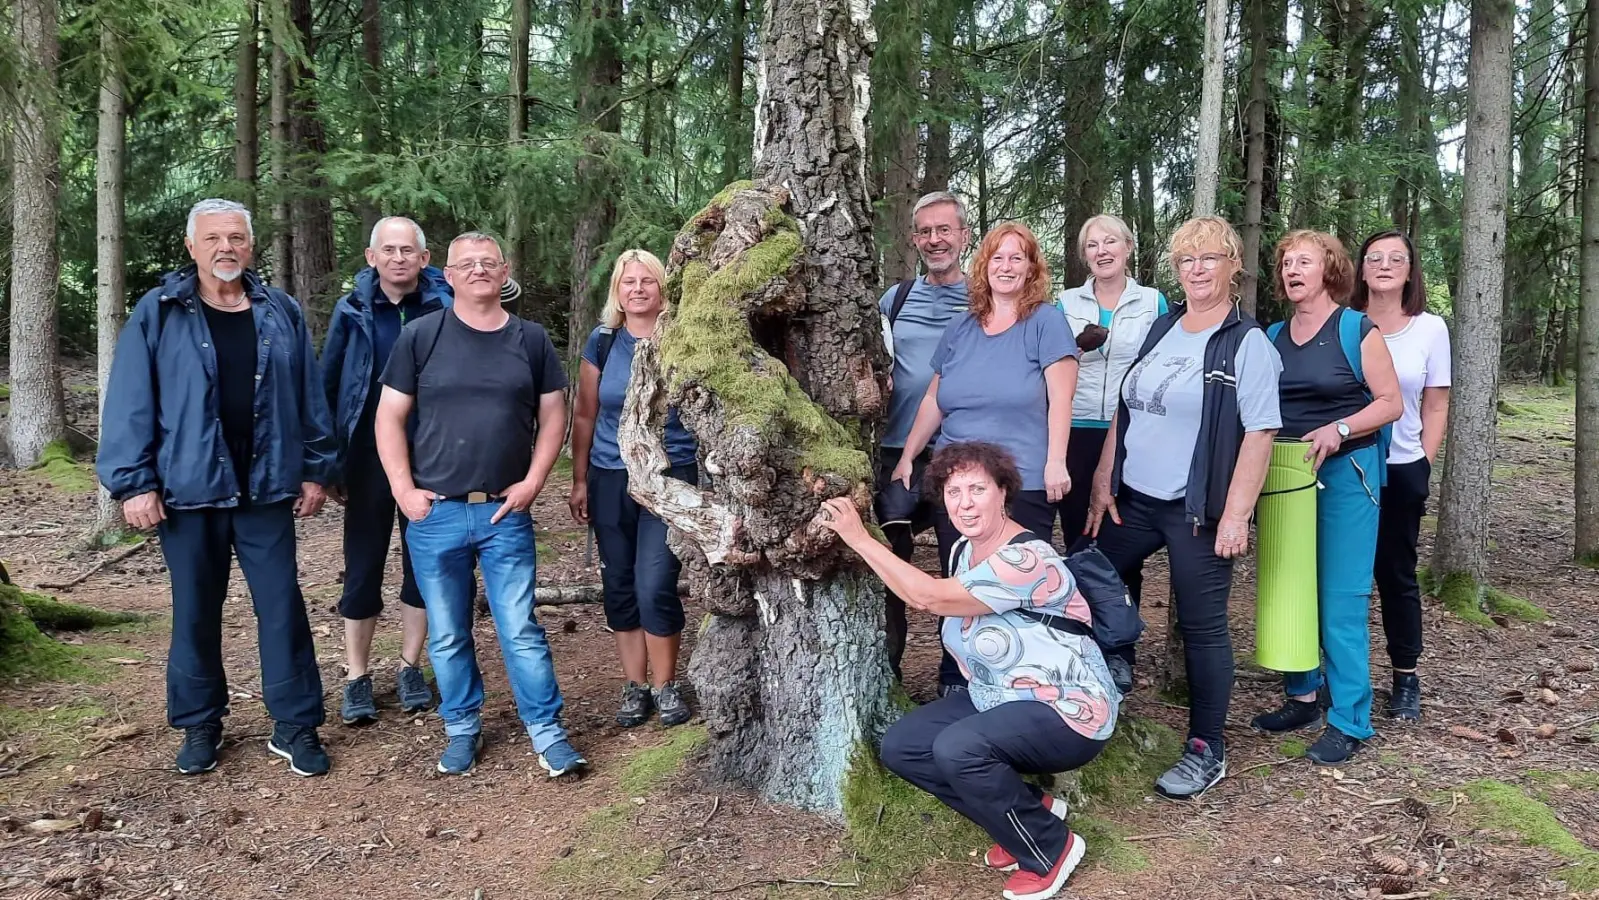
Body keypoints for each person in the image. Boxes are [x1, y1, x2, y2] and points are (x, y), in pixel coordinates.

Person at [97, 198, 335, 778]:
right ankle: (200, 722)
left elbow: (310, 396)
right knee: (195, 610)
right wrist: (133, 483)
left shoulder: (280, 311)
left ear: (251, 246)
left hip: (266, 488)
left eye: (236, 237)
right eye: (213, 239)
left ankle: (295, 724)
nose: (225, 247)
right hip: (188, 491)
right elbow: (129, 403)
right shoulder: (159, 312)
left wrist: (315, 468)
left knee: (282, 606)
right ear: (192, 247)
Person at [822, 442, 1114, 900]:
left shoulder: (1025, 558)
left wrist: (859, 538)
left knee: (958, 747)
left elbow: (928, 598)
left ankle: (1050, 847)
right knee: (904, 746)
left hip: (1066, 708)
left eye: (978, 488)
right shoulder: (964, 550)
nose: (965, 503)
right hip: (1001, 696)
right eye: (953, 491)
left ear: (1003, 493)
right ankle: (1026, 812)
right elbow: (933, 598)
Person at [375, 231, 584, 777]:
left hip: (503, 512)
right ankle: (462, 727)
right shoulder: (422, 336)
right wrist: (403, 490)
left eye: (487, 263)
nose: (477, 271)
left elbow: (555, 415)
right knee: (446, 632)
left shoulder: (531, 339)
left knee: (519, 628)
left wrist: (534, 481)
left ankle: (547, 731)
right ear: (445, 273)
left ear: (504, 270)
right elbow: (389, 417)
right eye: (466, 264)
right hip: (435, 513)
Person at [1086, 215, 1282, 799]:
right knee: (1088, 569)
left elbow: (1261, 433)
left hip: (1197, 509)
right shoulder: (1164, 326)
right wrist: (1103, 480)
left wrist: (1237, 516)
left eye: (1209, 259)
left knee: (1202, 626)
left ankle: (1205, 747)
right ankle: (1113, 666)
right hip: (1136, 499)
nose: (1197, 270)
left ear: (1232, 267)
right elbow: (1125, 407)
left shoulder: (1246, 343)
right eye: (1186, 261)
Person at [891, 222, 1079, 695]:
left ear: (1032, 267)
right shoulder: (961, 326)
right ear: (984, 266)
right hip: (958, 485)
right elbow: (935, 397)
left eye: (1017, 258)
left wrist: (1058, 461)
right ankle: (956, 681)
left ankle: (1023, 684)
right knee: (961, 582)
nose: (1007, 266)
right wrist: (909, 455)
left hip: (1023, 481)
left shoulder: (1046, 322)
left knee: (1014, 587)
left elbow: (1062, 400)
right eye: (998, 257)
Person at [1251, 229, 1401, 766]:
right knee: (1291, 586)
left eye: (1304, 262)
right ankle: (1303, 696)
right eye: (1287, 262)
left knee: (1340, 599)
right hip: (1286, 476)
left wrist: (1338, 428)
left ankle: (1350, 719)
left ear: (1329, 270)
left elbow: (1390, 404)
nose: (1293, 270)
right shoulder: (1271, 335)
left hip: (1347, 474)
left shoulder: (1357, 328)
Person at [322, 216, 451, 725]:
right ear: (371, 258)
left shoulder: (444, 304)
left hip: (431, 456)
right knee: (363, 565)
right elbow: (329, 385)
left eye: (408, 250)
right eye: (388, 250)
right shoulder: (352, 309)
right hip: (365, 458)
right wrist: (328, 462)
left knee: (422, 566)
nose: (399, 258)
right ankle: (356, 676)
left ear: (424, 258)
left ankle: (410, 666)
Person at [569, 249, 697, 728]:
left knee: (654, 581)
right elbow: (585, 412)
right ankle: (635, 684)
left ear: (662, 288)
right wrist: (580, 479)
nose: (638, 289)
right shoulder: (603, 343)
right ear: (617, 293)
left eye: (648, 281)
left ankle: (666, 685)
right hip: (609, 474)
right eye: (629, 282)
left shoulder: (682, 341)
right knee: (618, 582)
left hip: (668, 476)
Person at [1350, 230, 1450, 722]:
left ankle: (1405, 675)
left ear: (1411, 271)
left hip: (1401, 467)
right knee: (1341, 576)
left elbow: (1436, 402)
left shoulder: (1430, 329)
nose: (1385, 265)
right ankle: (1338, 674)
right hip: (1345, 466)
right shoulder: (1345, 324)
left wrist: (1424, 461)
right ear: (1361, 270)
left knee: (1395, 573)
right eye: (1375, 258)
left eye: (1397, 258)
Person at [875, 191, 973, 681]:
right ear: (915, 239)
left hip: (960, 453)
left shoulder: (985, 297)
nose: (936, 240)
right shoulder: (897, 298)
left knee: (962, 563)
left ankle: (955, 675)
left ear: (964, 236)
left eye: (945, 230)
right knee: (890, 559)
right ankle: (887, 667)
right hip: (896, 450)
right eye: (926, 232)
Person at [1056, 214, 1167, 542]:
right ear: (1085, 255)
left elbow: (1160, 363)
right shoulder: (1066, 302)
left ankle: (1123, 594)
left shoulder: (1151, 302)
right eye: (1092, 245)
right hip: (1076, 427)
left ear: (1128, 248)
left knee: (1122, 528)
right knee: (1078, 527)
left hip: (1131, 430)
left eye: (1110, 242)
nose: (1101, 251)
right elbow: (1054, 365)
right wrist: (1074, 348)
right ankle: (1079, 590)